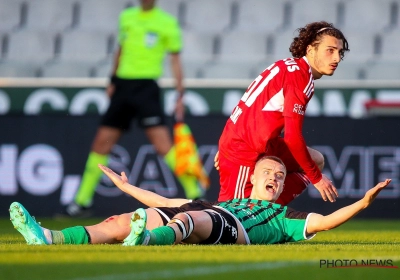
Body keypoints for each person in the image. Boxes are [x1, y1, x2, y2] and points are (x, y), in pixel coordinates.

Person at [10, 157, 391, 246]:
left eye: (280, 176)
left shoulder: (285, 216)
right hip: (216, 211)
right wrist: (128, 189)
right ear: (253, 178)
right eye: (269, 173)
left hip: (231, 228)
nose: (275, 178)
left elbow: (324, 222)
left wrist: (362, 204)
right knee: (123, 218)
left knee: (192, 223)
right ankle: (49, 237)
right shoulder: (224, 199)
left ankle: (145, 240)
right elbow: (165, 198)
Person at [63, 0, 204, 217]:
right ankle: (82, 202)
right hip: (123, 87)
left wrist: (180, 92)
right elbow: (120, 49)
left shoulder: (166, 23)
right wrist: (112, 80)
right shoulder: (127, 18)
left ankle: (195, 194)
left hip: (147, 88)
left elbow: (175, 59)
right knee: (101, 143)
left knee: (163, 145)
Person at [215, 21, 350, 205]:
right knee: (229, 219)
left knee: (315, 160)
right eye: (330, 50)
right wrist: (318, 180)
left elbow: (251, 107)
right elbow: (292, 138)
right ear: (310, 50)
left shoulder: (287, 66)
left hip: (256, 143)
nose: (336, 58)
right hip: (243, 150)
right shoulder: (300, 78)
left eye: (340, 53)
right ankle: (175, 213)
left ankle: (267, 211)